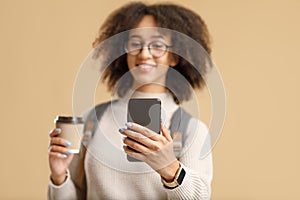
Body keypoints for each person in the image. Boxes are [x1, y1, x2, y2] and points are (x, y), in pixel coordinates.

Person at [48, 2, 213, 199]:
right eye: (135, 43)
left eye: (158, 45)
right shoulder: (92, 119)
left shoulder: (192, 130)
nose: (144, 54)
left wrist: (170, 168)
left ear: (175, 56)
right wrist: (59, 177)